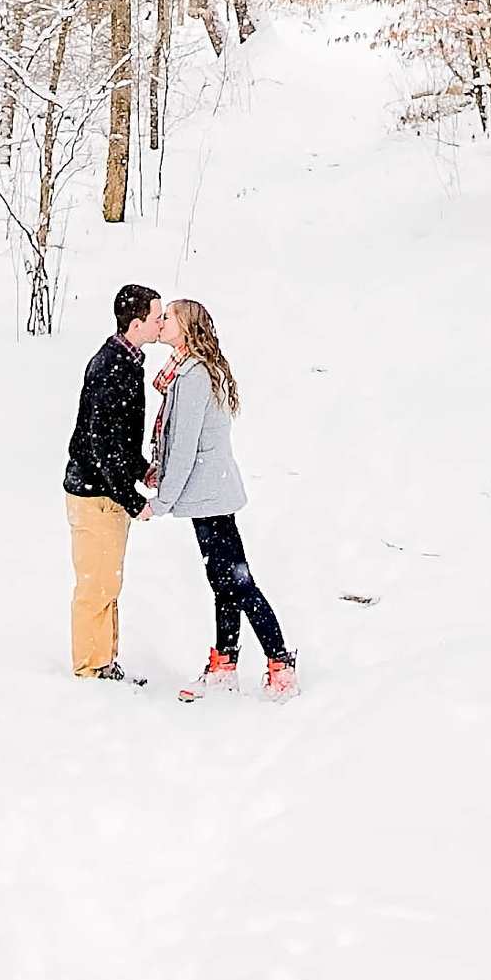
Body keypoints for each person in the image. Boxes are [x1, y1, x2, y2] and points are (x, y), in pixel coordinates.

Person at [143, 296, 298, 699]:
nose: (161, 322)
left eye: (169, 317)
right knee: (224, 581)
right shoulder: (184, 370)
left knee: (238, 583)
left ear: (188, 328)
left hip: (209, 493)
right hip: (207, 492)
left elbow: (184, 446)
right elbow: (178, 442)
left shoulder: (192, 375)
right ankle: (224, 666)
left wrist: (160, 501)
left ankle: (280, 665)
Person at [64, 283, 164, 682]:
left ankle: (105, 661)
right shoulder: (111, 370)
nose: (163, 324)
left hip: (107, 492)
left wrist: (141, 470)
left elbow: (120, 439)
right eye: (157, 318)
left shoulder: (128, 361)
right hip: (95, 494)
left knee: (108, 581)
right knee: (95, 586)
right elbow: (101, 447)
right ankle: (91, 668)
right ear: (137, 323)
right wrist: (132, 498)